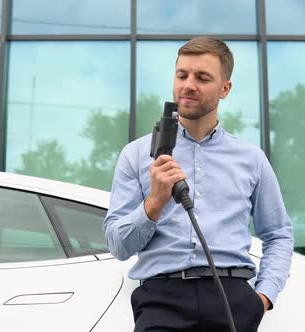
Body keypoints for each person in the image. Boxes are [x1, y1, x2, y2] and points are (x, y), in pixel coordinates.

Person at [103, 37, 294, 332]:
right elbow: (118, 245)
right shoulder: (137, 155)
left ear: (224, 89)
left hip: (233, 299)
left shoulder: (252, 159)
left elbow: (279, 234)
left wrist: (263, 296)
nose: (188, 85)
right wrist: (153, 203)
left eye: (202, 77)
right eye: (182, 75)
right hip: (161, 302)